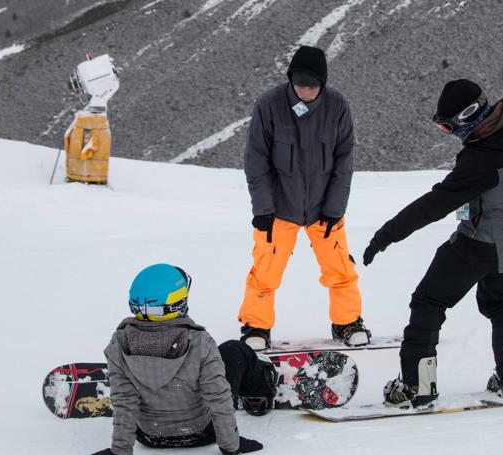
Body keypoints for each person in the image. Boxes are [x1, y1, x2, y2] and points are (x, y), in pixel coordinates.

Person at [363, 79, 503, 408]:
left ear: (466, 119)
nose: (448, 134)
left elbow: (435, 204)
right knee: (498, 298)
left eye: (447, 128)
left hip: (481, 242)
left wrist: (386, 235)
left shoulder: (480, 161)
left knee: (429, 301)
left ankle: (416, 387)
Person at [239, 45, 370, 350]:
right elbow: (255, 160)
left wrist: (335, 209)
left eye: (311, 86)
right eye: (299, 85)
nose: (305, 91)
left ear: (322, 84)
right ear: (290, 80)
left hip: (324, 209)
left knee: (340, 268)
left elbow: (344, 160)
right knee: (265, 270)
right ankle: (256, 327)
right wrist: (263, 209)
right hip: (278, 209)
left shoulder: (337, 106)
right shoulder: (269, 104)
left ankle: (347, 322)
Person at [92, 264, 271, 455]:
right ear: (178, 302)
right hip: (204, 432)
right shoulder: (199, 342)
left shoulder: (119, 343)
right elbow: (218, 397)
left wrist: (119, 451)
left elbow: (125, 401)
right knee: (234, 350)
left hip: (148, 436)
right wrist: (231, 446)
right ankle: (260, 390)